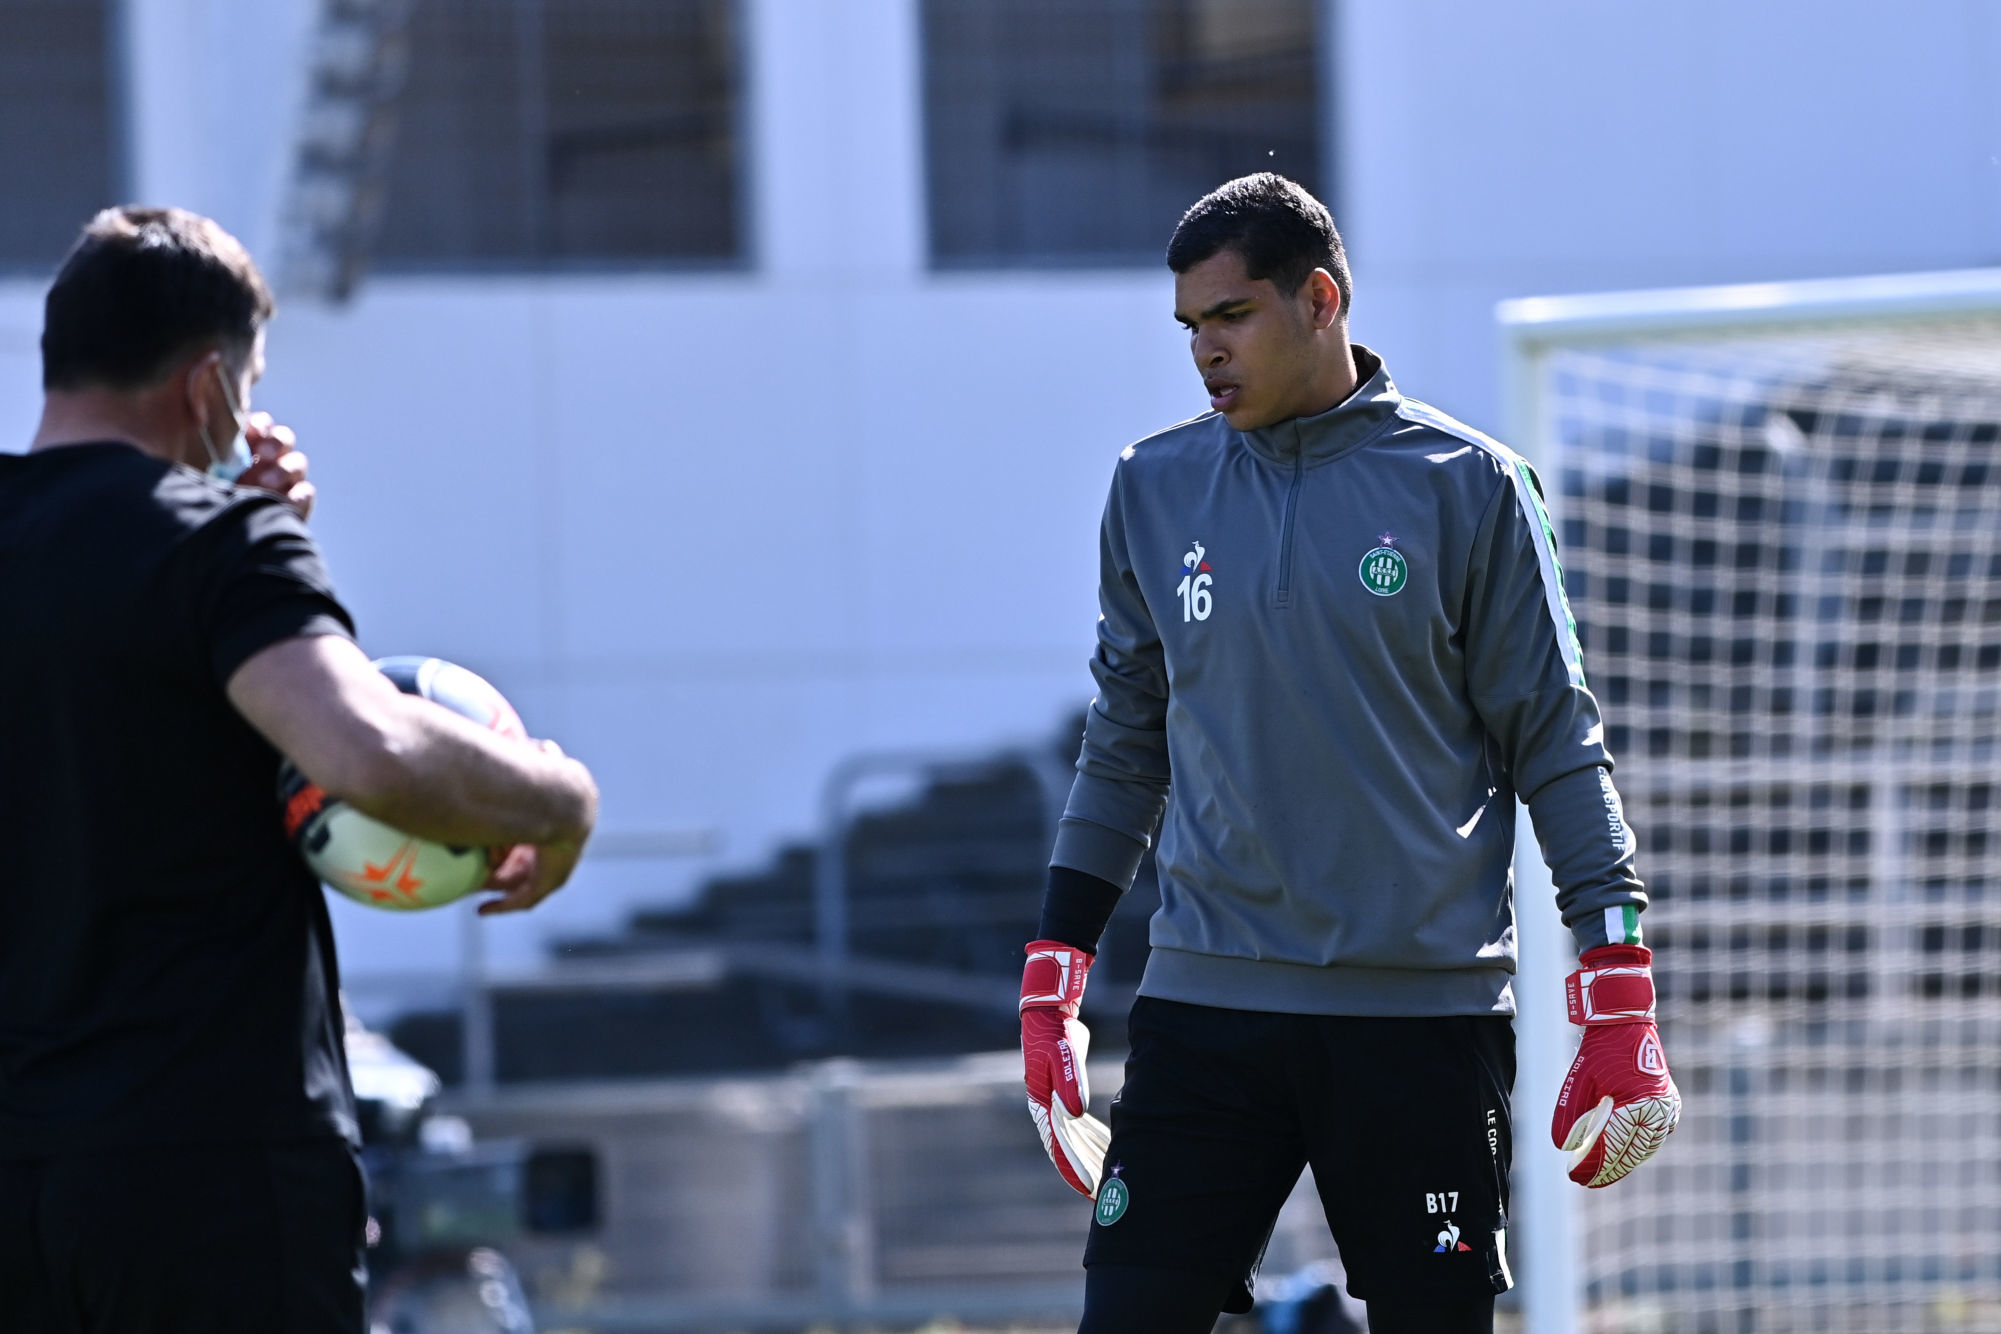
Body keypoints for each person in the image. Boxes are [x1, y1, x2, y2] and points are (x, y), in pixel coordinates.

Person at [1017, 175, 1681, 1334]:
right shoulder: (1151, 486)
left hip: (1419, 1021)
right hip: (1205, 1002)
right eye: (1189, 329)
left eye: (1231, 318)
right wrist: (1054, 968)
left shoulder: (1472, 487)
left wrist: (1616, 981)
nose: (1204, 353)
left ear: (1320, 297)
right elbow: (1125, 744)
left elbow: (1556, 742)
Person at [0, 207, 600, 1334]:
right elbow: (372, 753)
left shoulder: (200, 543)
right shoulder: (215, 547)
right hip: (206, 1176)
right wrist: (558, 797)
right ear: (208, 384)